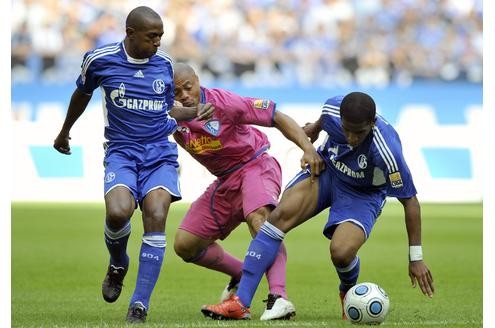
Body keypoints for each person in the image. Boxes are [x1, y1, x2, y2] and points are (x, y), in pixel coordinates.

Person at [201, 91, 435, 320]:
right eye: (347, 130)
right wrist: (314, 127)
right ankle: (241, 302)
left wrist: (416, 257)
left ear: (372, 123)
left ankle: (347, 291)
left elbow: (410, 201)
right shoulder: (333, 110)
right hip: (327, 172)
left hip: (362, 195)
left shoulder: (388, 151)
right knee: (276, 219)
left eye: (359, 133)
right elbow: (326, 119)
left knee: (341, 253)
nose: (352, 138)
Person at [53, 7, 213, 324]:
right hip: (121, 151)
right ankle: (118, 264)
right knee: (117, 211)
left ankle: (139, 305)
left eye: (160, 37)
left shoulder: (165, 65)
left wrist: (193, 112)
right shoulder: (100, 60)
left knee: (155, 214)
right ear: (130, 33)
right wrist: (64, 131)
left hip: (159, 153)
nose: (157, 43)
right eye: (152, 37)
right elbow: (81, 94)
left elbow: (167, 110)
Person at [171, 63, 323, 320]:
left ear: (197, 80)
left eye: (188, 87)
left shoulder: (225, 103)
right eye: (176, 91)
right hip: (225, 181)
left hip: (255, 165)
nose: (184, 95)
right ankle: (241, 273)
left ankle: (278, 298)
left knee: (260, 221)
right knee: (185, 245)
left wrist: (307, 148)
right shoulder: (170, 116)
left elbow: (276, 116)